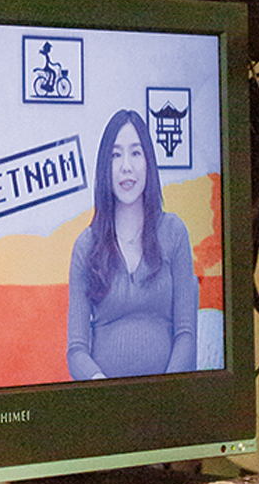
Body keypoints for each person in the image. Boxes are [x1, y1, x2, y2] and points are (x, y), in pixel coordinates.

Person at [66, 108, 199, 379]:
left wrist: (166, 389)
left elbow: (186, 333)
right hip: (106, 398)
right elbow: (76, 350)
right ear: (105, 167)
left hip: (167, 395)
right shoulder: (86, 246)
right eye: (116, 155)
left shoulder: (174, 232)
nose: (126, 166)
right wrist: (102, 387)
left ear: (148, 162)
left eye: (136, 153)